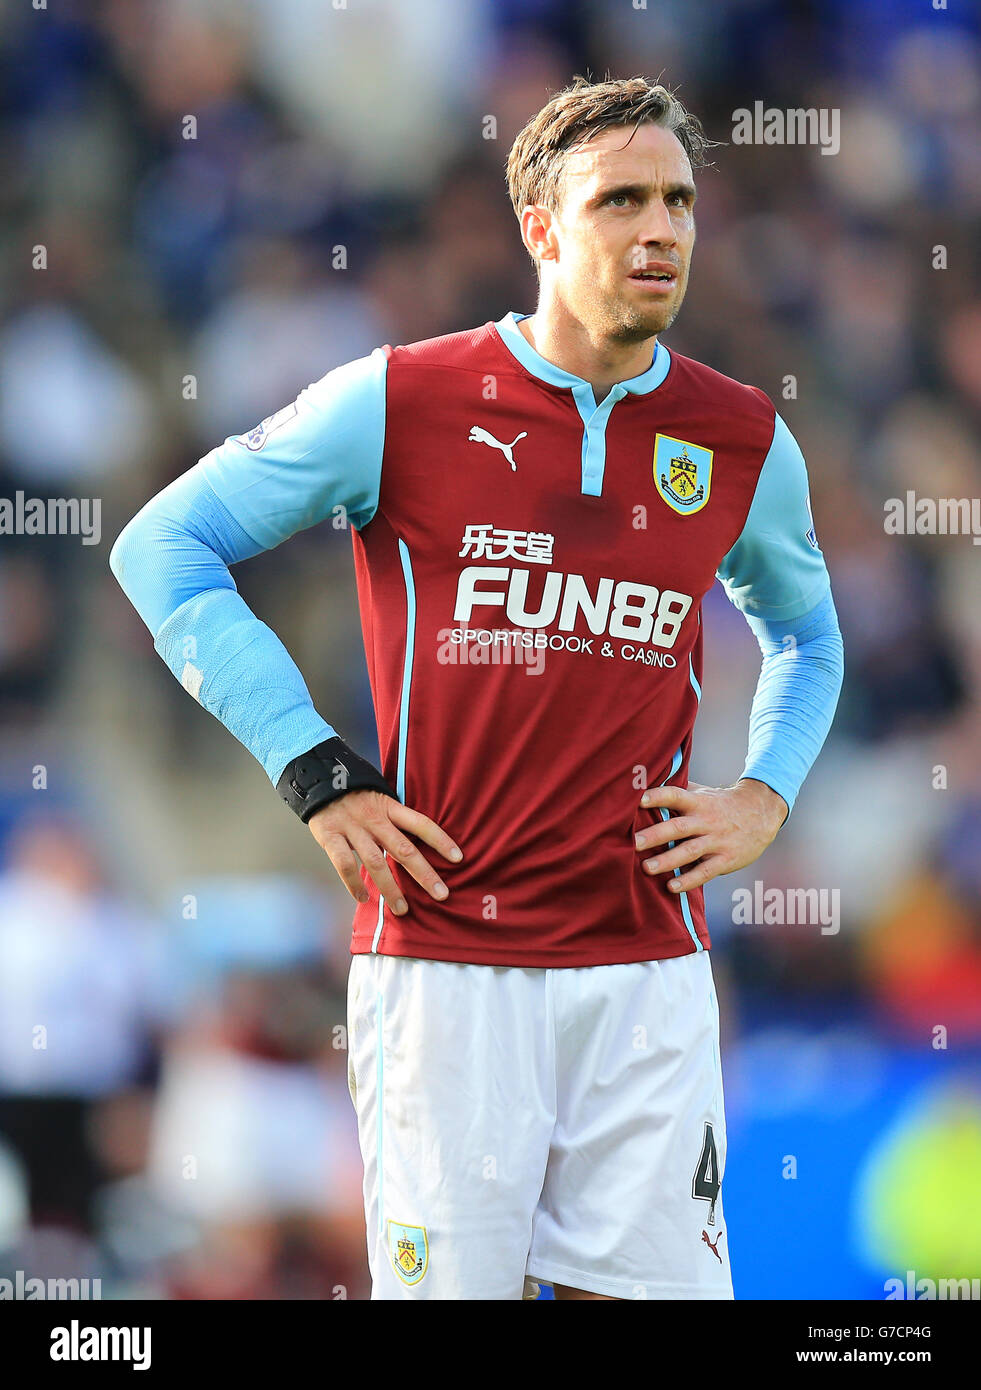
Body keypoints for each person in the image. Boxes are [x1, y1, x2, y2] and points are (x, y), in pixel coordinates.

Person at [110, 76, 844, 1300]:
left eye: (677, 200)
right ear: (541, 228)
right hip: (446, 963)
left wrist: (766, 793)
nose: (660, 229)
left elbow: (808, 638)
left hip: (646, 970)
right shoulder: (402, 399)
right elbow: (161, 549)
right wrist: (313, 766)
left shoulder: (743, 439)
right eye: (620, 201)